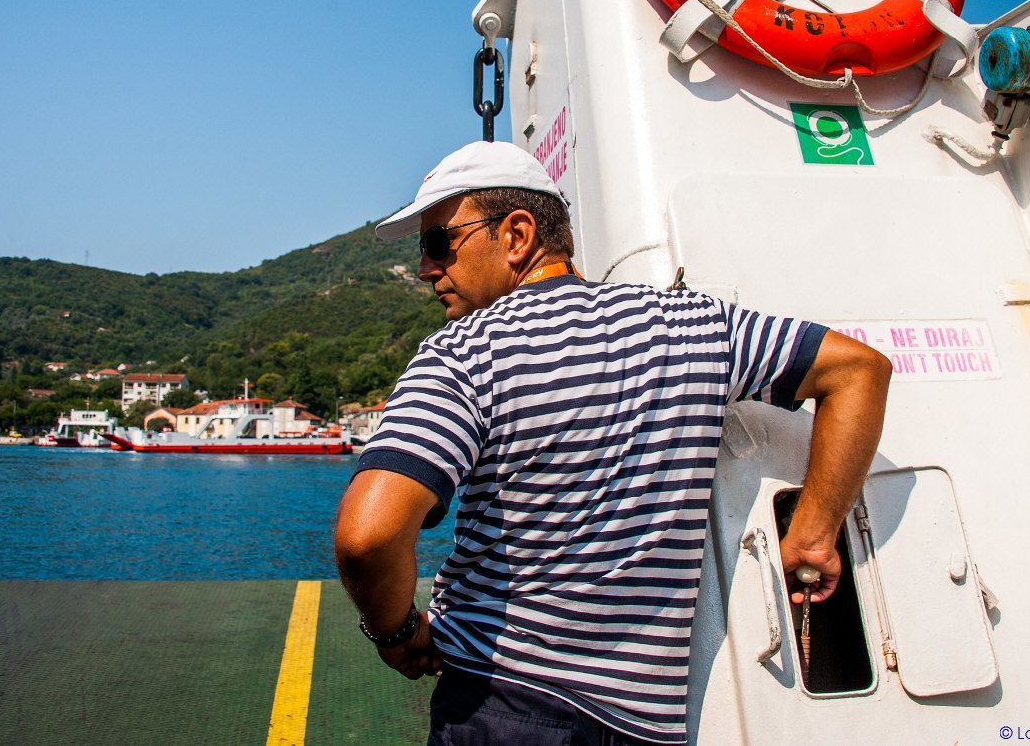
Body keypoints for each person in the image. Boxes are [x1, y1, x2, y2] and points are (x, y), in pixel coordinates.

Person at [334, 140, 891, 745]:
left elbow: (368, 537)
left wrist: (396, 634)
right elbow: (859, 371)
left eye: (439, 243)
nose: (425, 268)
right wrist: (813, 534)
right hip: (644, 724)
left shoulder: (466, 352)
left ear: (517, 235)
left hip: (501, 704)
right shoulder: (695, 326)